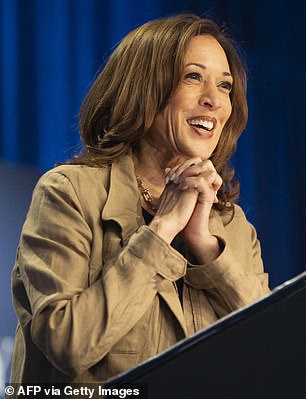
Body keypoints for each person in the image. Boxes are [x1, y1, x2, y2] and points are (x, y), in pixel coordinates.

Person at [10, 14, 269, 386]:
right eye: (193, 77)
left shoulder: (234, 227)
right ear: (144, 88)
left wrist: (206, 247)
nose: (214, 101)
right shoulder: (69, 193)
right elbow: (68, 345)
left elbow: (274, 350)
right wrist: (161, 231)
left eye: (225, 86)